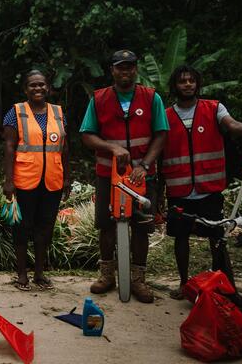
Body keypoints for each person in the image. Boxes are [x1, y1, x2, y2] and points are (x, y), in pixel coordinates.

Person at [161, 65, 242, 311]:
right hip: (179, 189)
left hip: (208, 189)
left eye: (191, 81)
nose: (187, 85)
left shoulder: (214, 108)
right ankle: (184, 283)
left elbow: (231, 124)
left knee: (218, 238)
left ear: (197, 84)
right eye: (182, 81)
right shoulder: (165, 115)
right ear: (175, 85)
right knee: (180, 237)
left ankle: (228, 288)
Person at [80, 50, 168, 303]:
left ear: (136, 69)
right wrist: (113, 148)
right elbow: (87, 134)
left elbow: (161, 134)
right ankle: (107, 275)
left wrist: (145, 165)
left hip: (142, 174)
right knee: (106, 225)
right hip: (109, 174)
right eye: (121, 67)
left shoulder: (151, 98)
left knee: (141, 227)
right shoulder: (99, 99)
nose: (125, 71)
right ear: (113, 71)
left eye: (130, 67)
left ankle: (138, 280)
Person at [2, 70, 70, 291]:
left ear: (48, 88)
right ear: (25, 89)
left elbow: (64, 148)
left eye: (41, 85)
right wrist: (8, 180)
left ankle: (40, 273)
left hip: (52, 180)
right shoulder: (16, 112)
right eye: (33, 85)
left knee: (45, 228)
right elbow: (9, 147)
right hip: (24, 180)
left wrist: (67, 178)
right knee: (22, 227)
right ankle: (22, 274)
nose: (38, 88)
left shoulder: (58, 113)